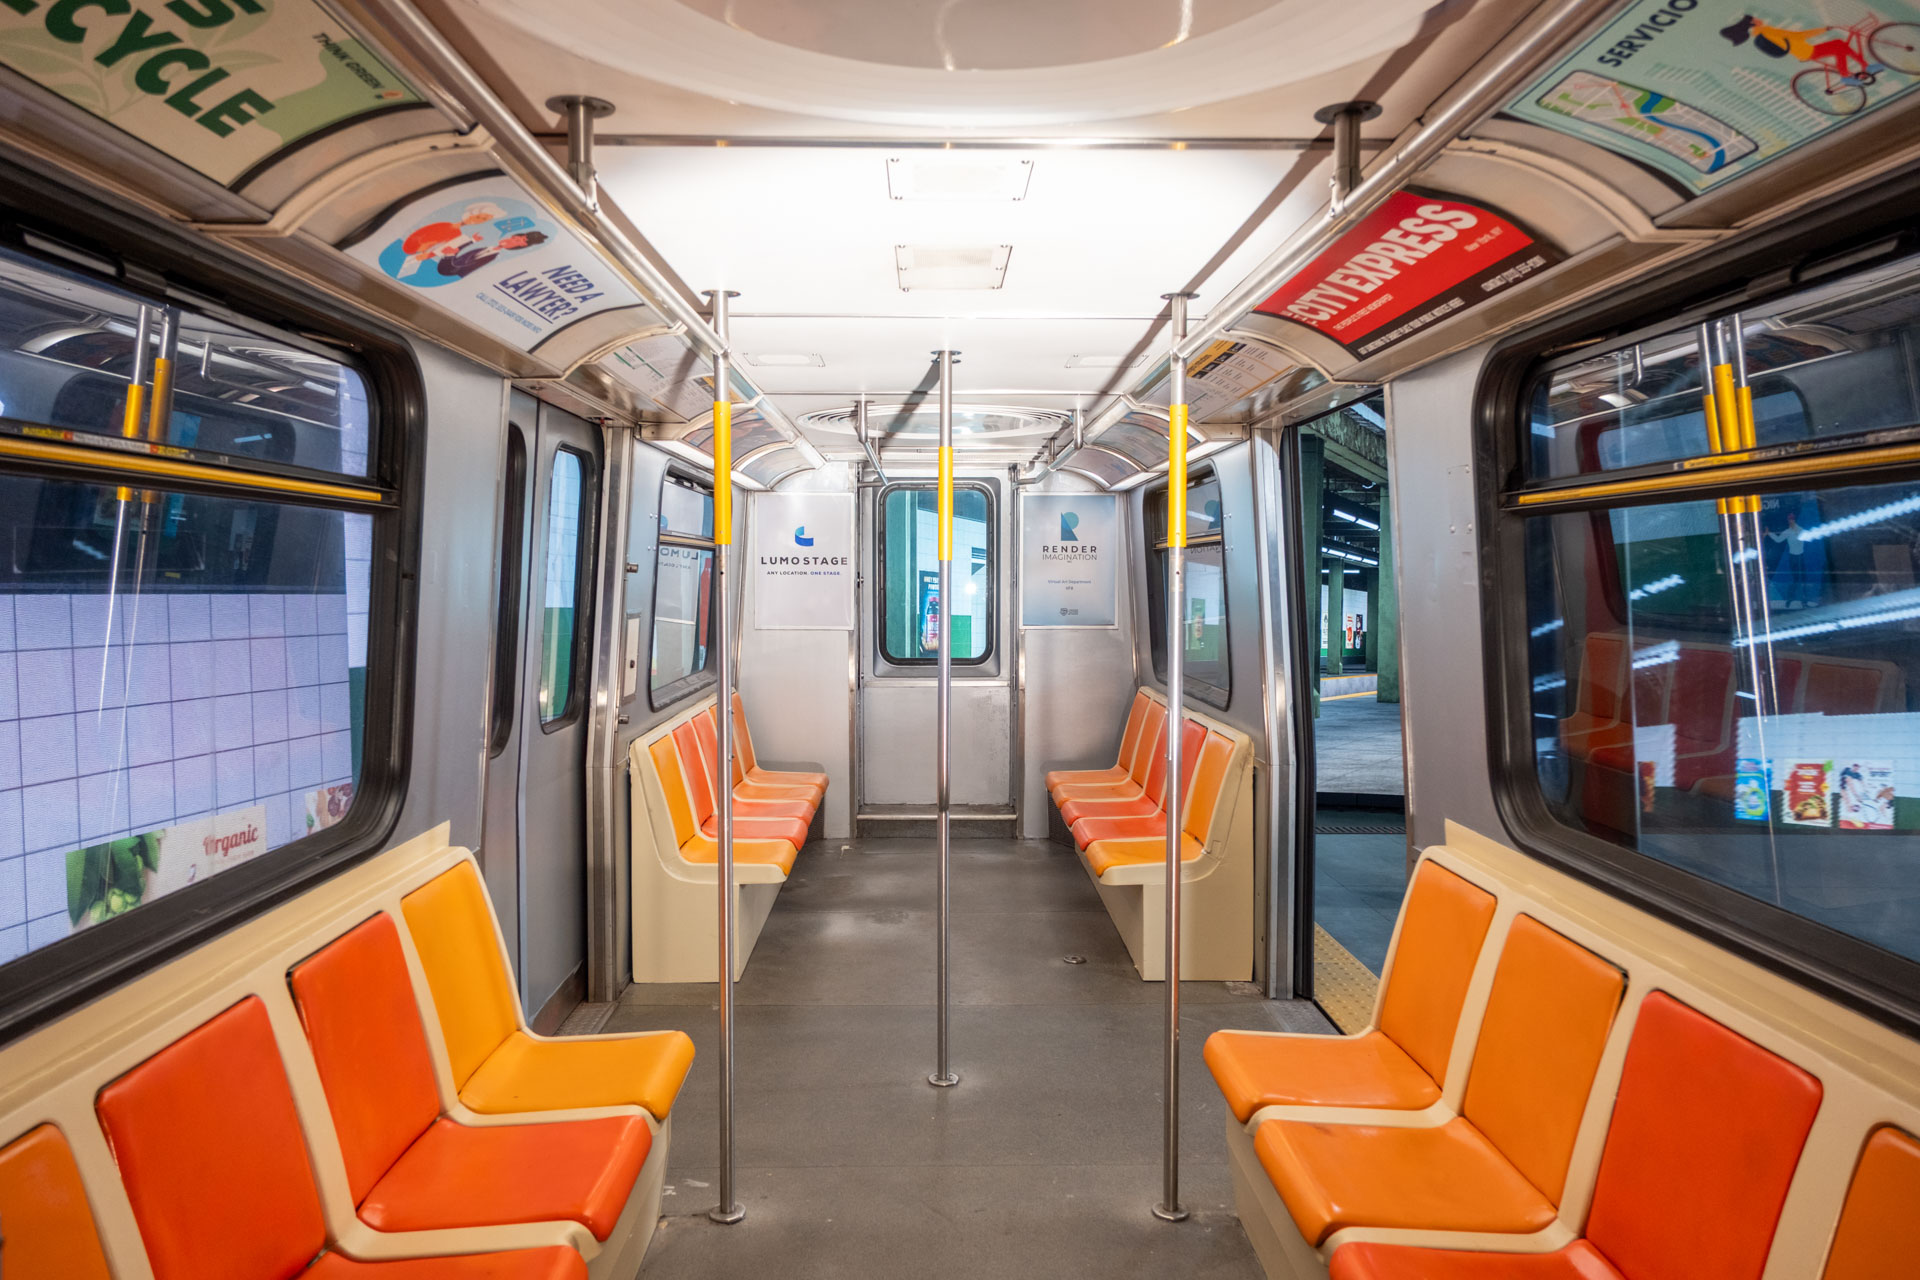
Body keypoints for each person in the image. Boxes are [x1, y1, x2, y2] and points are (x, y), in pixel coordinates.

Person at [1721, 15, 1870, 79]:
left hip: (1803, 52)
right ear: (1753, 22)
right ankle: (1849, 73)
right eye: (1754, 19)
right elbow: (1798, 36)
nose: (1758, 18)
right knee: (1838, 45)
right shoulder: (1766, 30)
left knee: (1838, 46)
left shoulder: (1761, 32)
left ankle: (1860, 68)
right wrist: (1825, 29)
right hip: (1806, 51)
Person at [436, 230, 548, 279]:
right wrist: (472, 241)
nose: (510, 240)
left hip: (451, 272)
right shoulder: (486, 247)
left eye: (517, 241)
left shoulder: (493, 258)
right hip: (449, 267)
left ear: (522, 246)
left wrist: (449, 256)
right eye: (514, 237)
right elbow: (459, 254)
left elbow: (466, 269)